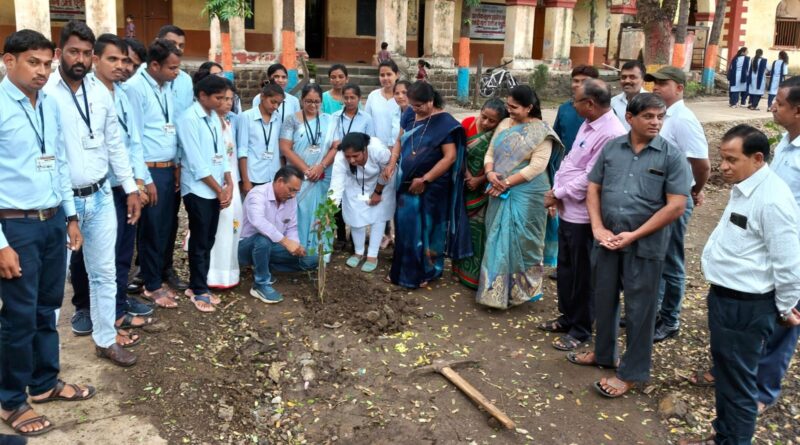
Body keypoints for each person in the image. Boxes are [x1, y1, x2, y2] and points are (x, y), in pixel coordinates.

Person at [678, 125, 800, 445]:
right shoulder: (746, 185)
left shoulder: (771, 200)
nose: (723, 167)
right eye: (722, 158)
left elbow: (789, 264)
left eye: (731, 159)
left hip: (745, 305)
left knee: (740, 387)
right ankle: (724, 437)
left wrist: (785, 308)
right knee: (729, 379)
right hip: (727, 299)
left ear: (757, 158)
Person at [567, 93, 691, 398]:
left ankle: (632, 372)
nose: (655, 122)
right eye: (648, 116)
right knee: (604, 297)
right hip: (607, 240)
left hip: (645, 245)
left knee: (641, 309)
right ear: (630, 118)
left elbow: (676, 206)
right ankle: (604, 353)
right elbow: (593, 187)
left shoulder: (671, 156)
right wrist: (597, 227)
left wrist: (634, 235)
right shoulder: (612, 148)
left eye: (660, 117)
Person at [0, 28, 89, 438]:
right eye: (31, 63)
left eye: (45, 63)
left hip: (53, 220)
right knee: (18, 318)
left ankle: (43, 383)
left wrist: (70, 217)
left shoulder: (50, 104)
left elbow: (57, 164)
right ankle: (10, 399)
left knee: (48, 309)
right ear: (8, 61)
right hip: (14, 225)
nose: (41, 71)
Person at [45, 21, 141, 367]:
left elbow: (115, 144)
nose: (81, 59)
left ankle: (105, 340)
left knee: (104, 272)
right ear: (60, 54)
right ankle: (45, 363)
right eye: (74, 51)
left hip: (101, 196)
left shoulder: (100, 92)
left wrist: (129, 187)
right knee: (53, 283)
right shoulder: (46, 94)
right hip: (61, 202)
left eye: (87, 53)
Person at [66, 34, 155, 348]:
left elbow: (130, 144)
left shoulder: (125, 95)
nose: (122, 67)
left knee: (118, 254)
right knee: (84, 255)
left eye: (127, 61)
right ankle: (83, 308)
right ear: (96, 59)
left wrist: (138, 184)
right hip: (91, 189)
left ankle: (116, 307)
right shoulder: (76, 94)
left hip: (122, 186)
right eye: (114, 60)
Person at [540, 79, 626, 350]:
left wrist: (559, 193)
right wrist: (557, 191)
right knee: (566, 270)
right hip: (568, 209)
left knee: (583, 274)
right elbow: (570, 163)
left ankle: (581, 329)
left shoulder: (611, 133)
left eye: (575, 100)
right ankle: (568, 317)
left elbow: (591, 177)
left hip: (585, 215)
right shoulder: (588, 125)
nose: (571, 104)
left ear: (589, 104)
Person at [476, 85, 563, 308]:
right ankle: (494, 292)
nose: (509, 110)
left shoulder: (541, 132)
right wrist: (490, 173)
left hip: (528, 193)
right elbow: (491, 152)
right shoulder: (505, 124)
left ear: (529, 107)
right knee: (497, 236)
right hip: (498, 185)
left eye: (514, 107)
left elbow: (537, 167)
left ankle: (524, 290)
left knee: (525, 240)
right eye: (508, 105)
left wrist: (505, 183)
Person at [384, 81, 471, 288]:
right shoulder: (409, 114)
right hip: (406, 183)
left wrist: (426, 179)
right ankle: (402, 271)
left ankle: (427, 271)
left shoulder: (445, 123)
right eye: (413, 105)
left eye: (420, 105)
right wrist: (392, 162)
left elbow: (449, 157)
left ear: (431, 101)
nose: (415, 109)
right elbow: (399, 140)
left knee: (429, 229)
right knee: (405, 228)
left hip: (433, 187)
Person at [648, 66, 711, 343]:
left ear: (680, 88)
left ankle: (670, 319)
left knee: (671, 261)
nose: (656, 88)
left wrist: (695, 189)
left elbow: (701, 163)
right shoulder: (662, 117)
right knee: (655, 258)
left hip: (675, 199)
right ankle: (655, 312)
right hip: (656, 197)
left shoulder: (683, 119)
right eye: (654, 83)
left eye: (663, 83)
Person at [125, 38, 182, 309]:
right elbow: (133, 136)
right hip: (149, 169)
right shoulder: (136, 88)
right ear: (155, 65)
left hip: (168, 166)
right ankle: (151, 285)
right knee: (152, 231)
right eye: (172, 67)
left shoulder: (165, 86)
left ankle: (157, 277)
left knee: (166, 228)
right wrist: (143, 179)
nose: (176, 73)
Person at [176, 75, 233, 312]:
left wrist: (228, 182)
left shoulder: (213, 117)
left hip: (216, 189)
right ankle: (199, 290)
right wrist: (220, 190)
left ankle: (198, 285)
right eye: (218, 98)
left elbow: (222, 152)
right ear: (202, 96)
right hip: (199, 190)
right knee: (199, 241)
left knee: (209, 239)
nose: (222, 102)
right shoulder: (188, 119)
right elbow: (197, 164)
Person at [238, 166, 318, 303]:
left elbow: (292, 226)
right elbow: (258, 221)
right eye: (291, 189)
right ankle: (260, 285)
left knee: (311, 259)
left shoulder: (290, 199)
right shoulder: (257, 194)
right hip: (246, 247)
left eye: (296, 192)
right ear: (280, 181)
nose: (293, 195)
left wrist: (295, 246)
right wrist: (286, 242)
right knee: (262, 240)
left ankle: (264, 266)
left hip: (273, 246)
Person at [549, 65, 600, 275]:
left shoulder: (600, 112)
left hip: (589, 176)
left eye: (583, 81)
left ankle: (584, 268)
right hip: (566, 170)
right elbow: (557, 138)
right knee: (563, 219)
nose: (577, 84)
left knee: (584, 223)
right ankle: (563, 265)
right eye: (575, 80)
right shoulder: (565, 108)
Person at [451, 99, 507, 289]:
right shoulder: (466, 124)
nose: (485, 123)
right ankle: (457, 270)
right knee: (460, 227)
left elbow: (499, 164)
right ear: (480, 111)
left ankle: (475, 276)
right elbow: (458, 153)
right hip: (463, 185)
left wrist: (480, 179)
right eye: (484, 117)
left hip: (485, 189)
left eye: (491, 121)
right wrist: (467, 175)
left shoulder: (499, 134)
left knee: (480, 231)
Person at [279, 83, 336, 253]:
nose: (312, 105)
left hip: (322, 176)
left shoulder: (330, 120)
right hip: (298, 176)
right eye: (308, 101)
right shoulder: (291, 120)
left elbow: (336, 146)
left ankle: (320, 251)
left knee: (321, 212)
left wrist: (321, 166)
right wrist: (307, 170)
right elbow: (285, 148)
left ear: (321, 102)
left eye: (317, 102)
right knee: (299, 213)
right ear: (301, 100)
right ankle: (297, 249)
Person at [329, 132, 396, 272]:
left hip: (381, 181)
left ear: (365, 150)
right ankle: (358, 252)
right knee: (355, 215)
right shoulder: (340, 158)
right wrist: (329, 211)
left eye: (355, 156)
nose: (352, 160)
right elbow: (336, 186)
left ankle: (372, 255)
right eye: (348, 157)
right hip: (355, 183)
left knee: (378, 216)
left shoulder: (378, 150)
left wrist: (377, 192)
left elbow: (387, 170)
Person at [159, 25, 193, 292]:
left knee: (170, 218)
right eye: (172, 44)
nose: (177, 49)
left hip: (175, 161)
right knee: (147, 220)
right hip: (149, 161)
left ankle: (167, 267)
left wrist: (181, 162)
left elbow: (184, 124)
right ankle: (144, 270)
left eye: (181, 46)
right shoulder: (142, 79)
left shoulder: (184, 81)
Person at [208, 84, 243, 289]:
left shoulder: (228, 122)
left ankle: (229, 273)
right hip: (217, 184)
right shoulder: (210, 124)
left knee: (233, 227)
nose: (228, 103)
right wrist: (222, 186)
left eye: (231, 99)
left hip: (232, 183)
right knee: (219, 229)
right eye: (223, 99)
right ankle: (213, 275)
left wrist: (232, 183)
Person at [237, 83, 285, 194]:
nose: (276, 107)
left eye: (279, 103)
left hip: (274, 175)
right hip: (254, 176)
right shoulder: (246, 117)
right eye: (273, 102)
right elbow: (242, 150)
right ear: (262, 96)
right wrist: (245, 180)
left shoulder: (278, 118)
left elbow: (279, 149)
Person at [365, 60, 400, 148]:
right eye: (382, 75)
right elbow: (367, 121)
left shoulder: (403, 98)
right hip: (376, 148)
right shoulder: (373, 96)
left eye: (389, 74)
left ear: (397, 75)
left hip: (398, 148)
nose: (385, 78)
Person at [332, 84, 375, 148]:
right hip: (338, 153)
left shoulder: (366, 118)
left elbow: (370, 140)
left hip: (359, 154)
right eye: (346, 98)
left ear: (359, 98)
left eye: (352, 98)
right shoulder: (335, 116)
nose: (349, 101)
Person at [610, 60, 646, 131]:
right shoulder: (613, 102)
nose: (627, 81)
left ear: (643, 80)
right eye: (623, 77)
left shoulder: (652, 102)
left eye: (632, 77)